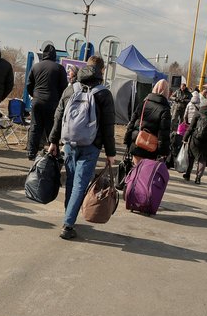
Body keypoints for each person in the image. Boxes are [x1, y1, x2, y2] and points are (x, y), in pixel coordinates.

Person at [47, 55, 116, 241]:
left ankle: (69, 215)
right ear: (101, 71)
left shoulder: (71, 89)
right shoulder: (104, 93)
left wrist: (53, 140)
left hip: (69, 142)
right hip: (91, 145)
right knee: (80, 184)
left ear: (86, 67)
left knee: (71, 181)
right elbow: (108, 127)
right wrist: (111, 153)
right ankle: (68, 224)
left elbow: (59, 115)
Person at [25, 44, 67, 160]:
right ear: (54, 55)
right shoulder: (59, 68)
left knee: (35, 126)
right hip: (52, 102)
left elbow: (29, 84)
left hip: (37, 101)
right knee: (51, 128)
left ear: (43, 54)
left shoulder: (36, 67)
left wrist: (34, 94)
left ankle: (31, 153)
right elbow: (64, 87)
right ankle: (54, 152)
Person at [124, 79, 171, 165]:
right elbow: (163, 133)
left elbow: (132, 123)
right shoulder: (165, 109)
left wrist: (127, 140)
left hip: (137, 143)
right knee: (145, 176)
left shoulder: (144, 103)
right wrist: (163, 152)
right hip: (151, 149)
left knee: (135, 172)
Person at [182, 100, 207, 184]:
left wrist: (185, 137)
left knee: (191, 157)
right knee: (202, 159)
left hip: (195, 139)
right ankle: (198, 178)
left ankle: (187, 175)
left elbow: (190, 127)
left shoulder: (198, 114)